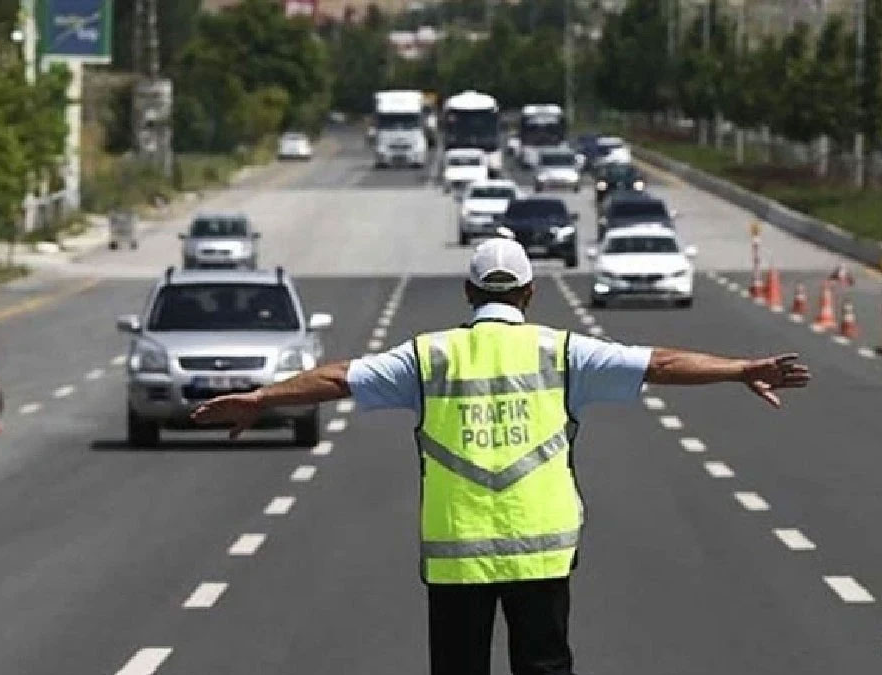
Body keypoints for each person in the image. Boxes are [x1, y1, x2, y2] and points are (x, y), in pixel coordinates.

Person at [192, 238, 811, 675]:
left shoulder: (428, 357)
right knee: (545, 667)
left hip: (457, 557)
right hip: (541, 549)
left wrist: (262, 397)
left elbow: (336, 379)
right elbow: (661, 364)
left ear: (467, 291)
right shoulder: (563, 352)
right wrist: (740, 369)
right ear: (530, 292)